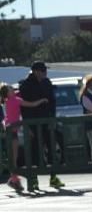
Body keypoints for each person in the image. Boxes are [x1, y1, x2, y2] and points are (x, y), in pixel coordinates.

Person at [18, 60, 64, 192]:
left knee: (51, 148)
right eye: (42, 71)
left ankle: (53, 177)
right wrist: (27, 126)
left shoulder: (47, 83)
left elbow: (52, 102)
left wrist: (52, 119)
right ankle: (34, 179)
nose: (45, 73)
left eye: (45, 70)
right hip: (32, 123)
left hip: (47, 121)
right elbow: (24, 108)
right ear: (35, 71)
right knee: (34, 151)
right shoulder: (25, 85)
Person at [0, 83, 24, 192]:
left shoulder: (7, 101)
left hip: (11, 130)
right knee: (13, 157)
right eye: (11, 89)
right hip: (11, 131)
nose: (13, 89)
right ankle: (14, 179)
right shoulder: (10, 101)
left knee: (14, 156)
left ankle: (14, 179)